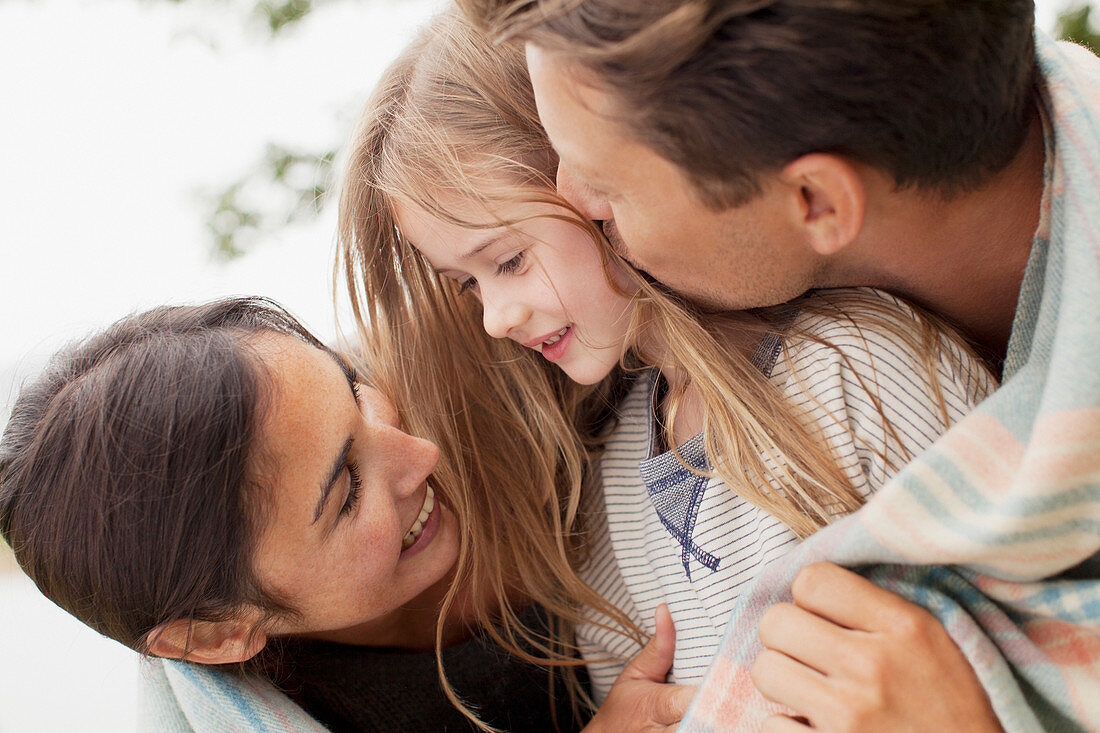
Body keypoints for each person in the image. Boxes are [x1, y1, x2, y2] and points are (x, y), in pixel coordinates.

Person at [336, 7, 1002, 726]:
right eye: (470, 284)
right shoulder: (613, 477)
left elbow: (1026, 638)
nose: (497, 317)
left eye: (508, 260)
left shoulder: (853, 369)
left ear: (592, 179)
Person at [0, 296, 683, 732]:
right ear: (212, 635)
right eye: (348, 491)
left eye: (354, 387)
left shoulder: (494, 354)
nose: (422, 452)